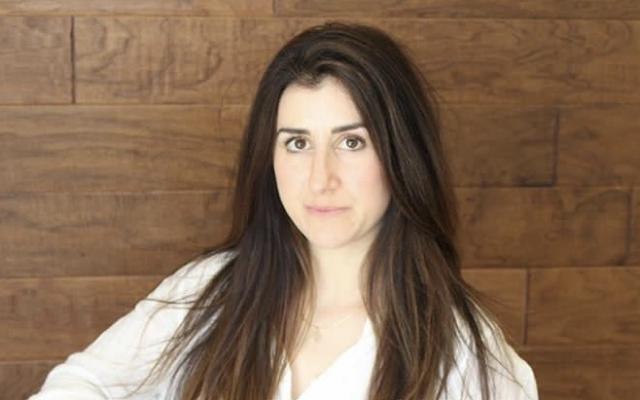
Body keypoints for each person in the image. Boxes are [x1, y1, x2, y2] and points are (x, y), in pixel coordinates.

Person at [29, 21, 538, 400]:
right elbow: (79, 383)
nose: (321, 177)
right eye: (297, 143)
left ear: (402, 154)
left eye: (352, 142)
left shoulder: (473, 360)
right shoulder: (207, 290)